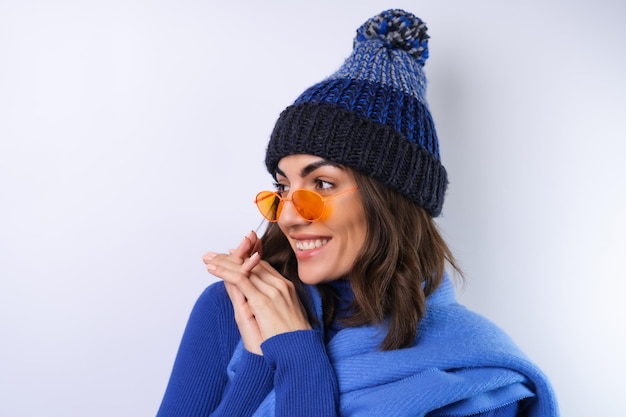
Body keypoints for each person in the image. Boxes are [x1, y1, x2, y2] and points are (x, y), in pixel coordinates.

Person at [156, 9, 559, 417]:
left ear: (390, 198)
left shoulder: (475, 378)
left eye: (322, 184)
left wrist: (298, 357)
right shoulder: (234, 308)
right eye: (283, 187)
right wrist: (260, 361)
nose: (290, 217)